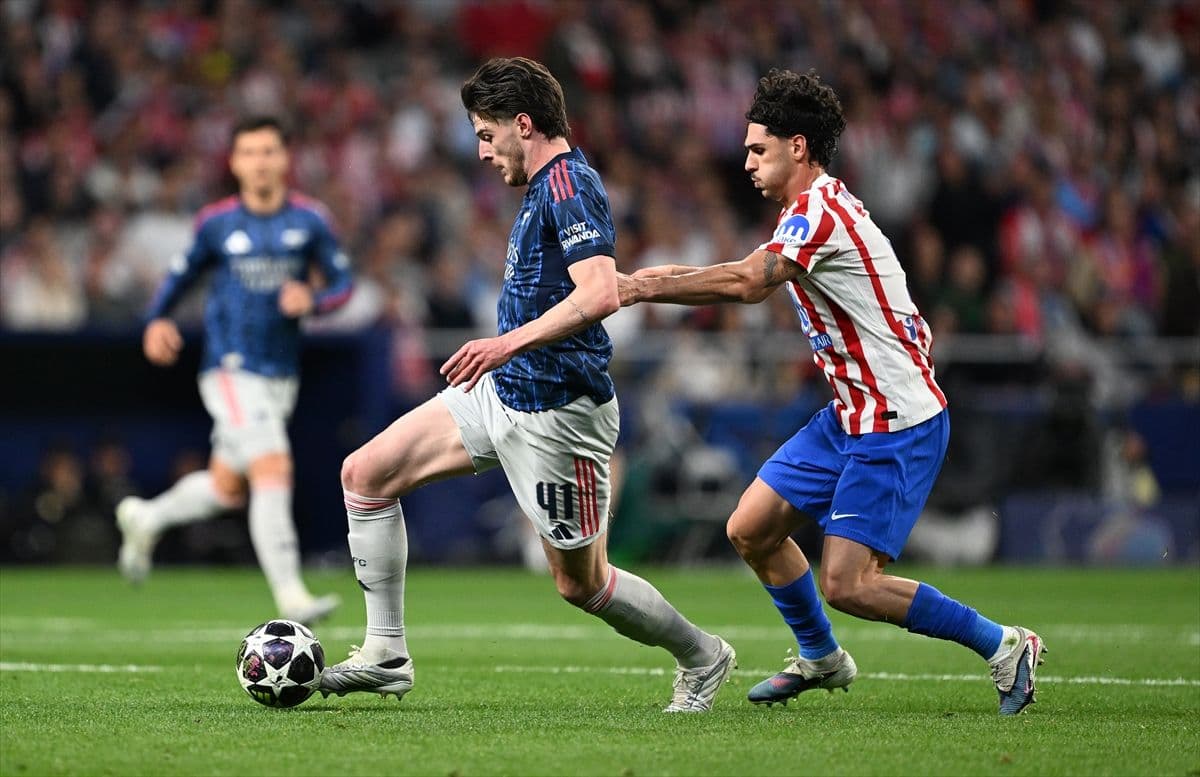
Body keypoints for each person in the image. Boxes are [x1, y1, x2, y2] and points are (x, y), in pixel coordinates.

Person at [618, 69, 1045, 716]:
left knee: (848, 584)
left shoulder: (820, 212)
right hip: (852, 413)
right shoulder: (813, 210)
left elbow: (748, 282)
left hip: (894, 420)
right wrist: (640, 280)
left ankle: (1005, 644)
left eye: (757, 149)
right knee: (750, 529)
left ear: (797, 146)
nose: (746, 162)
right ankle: (820, 655)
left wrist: (644, 286)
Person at [319, 57, 735, 712]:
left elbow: (599, 293)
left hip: (558, 413)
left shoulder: (569, 183)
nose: (483, 152)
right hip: (504, 389)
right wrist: (505, 356)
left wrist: (504, 342)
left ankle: (703, 654)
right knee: (365, 474)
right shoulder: (543, 186)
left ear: (523, 124)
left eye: (487, 135)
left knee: (583, 585)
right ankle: (386, 652)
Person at [115, 116, 352, 626]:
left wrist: (313, 299)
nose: (260, 162)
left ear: (284, 158)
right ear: (234, 163)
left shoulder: (310, 220)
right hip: (229, 369)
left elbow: (343, 284)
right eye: (249, 152)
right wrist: (156, 319)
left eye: (269, 151)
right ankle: (292, 597)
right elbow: (179, 276)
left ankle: (146, 516)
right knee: (273, 466)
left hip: (280, 375)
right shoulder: (216, 223)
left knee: (227, 488)